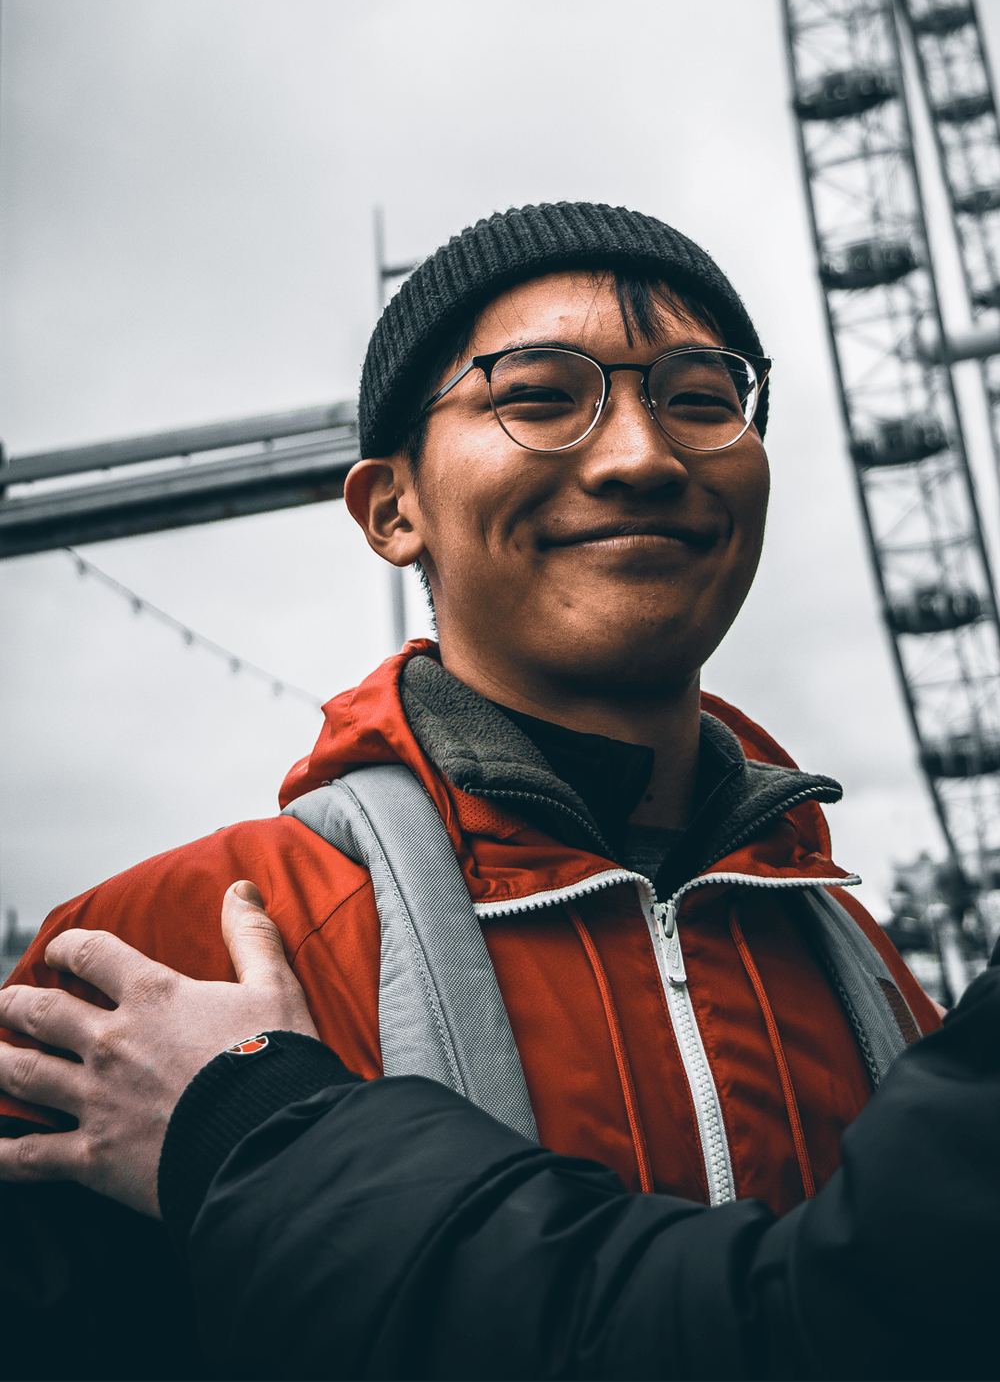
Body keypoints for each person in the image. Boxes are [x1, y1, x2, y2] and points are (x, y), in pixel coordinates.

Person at [0, 202, 941, 1377]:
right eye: (538, 395)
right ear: (391, 509)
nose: (643, 456)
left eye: (702, 397)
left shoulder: (871, 967)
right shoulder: (156, 954)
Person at [0, 881, 996, 1382]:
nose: (642, 466)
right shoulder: (157, 938)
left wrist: (252, 1123)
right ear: (392, 535)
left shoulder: (849, 940)